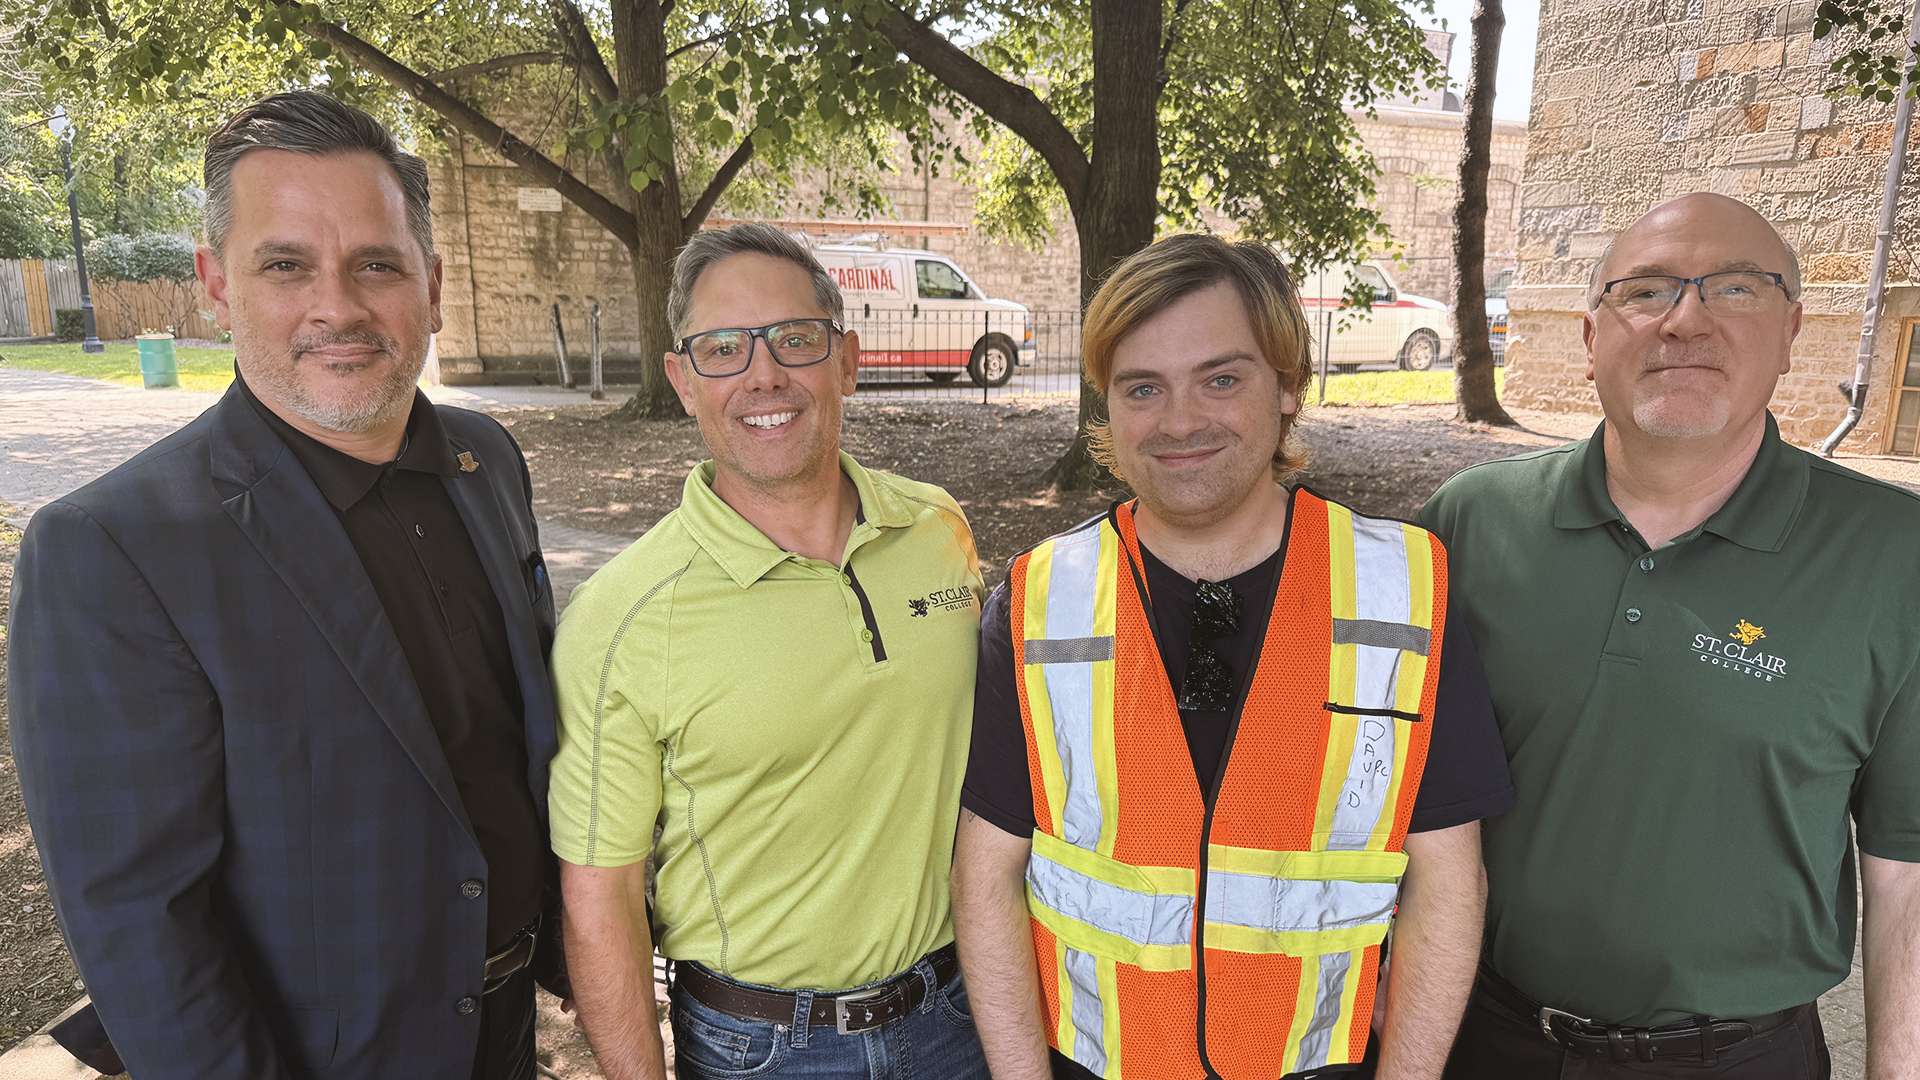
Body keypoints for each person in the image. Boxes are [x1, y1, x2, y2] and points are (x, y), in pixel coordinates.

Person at [6, 91, 566, 1079]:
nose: (338, 307)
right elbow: (140, 923)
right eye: (286, 266)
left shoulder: (486, 460)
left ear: (432, 285)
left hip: (510, 1027)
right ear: (217, 285)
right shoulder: (111, 548)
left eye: (377, 265)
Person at [955, 233, 1515, 1080]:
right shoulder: (1041, 601)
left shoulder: (1401, 592)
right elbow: (986, 877)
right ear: (1109, 407)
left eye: (1221, 379)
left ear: (1288, 386)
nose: (1180, 421)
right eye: (1144, 388)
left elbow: (1449, 880)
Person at [1424, 192, 1920, 1078]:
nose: (1685, 321)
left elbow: (1907, 870)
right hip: (1487, 1039)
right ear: (1590, 338)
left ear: (1792, 331)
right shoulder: (1468, 526)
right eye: (1645, 291)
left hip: (1741, 1060)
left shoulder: (1894, 557)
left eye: (1736, 288)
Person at [549, 223, 989, 1079]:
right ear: (682, 381)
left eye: (795, 339)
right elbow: (600, 896)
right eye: (723, 349)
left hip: (959, 1012)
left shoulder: (939, 533)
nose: (764, 375)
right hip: (763, 1049)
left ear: (847, 361)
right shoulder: (621, 619)